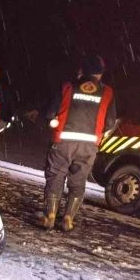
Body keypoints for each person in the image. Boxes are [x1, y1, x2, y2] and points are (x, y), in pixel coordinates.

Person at [41, 54, 116, 232]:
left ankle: (50, 215)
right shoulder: (108, 93)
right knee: (78, 180)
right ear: (100, 73)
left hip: (63, 142)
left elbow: (50, 113)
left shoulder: (67, 87)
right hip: (89, 145)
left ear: (82, 70)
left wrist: (52, 121)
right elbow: (110, 122)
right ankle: (68, 218)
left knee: (55, 176)